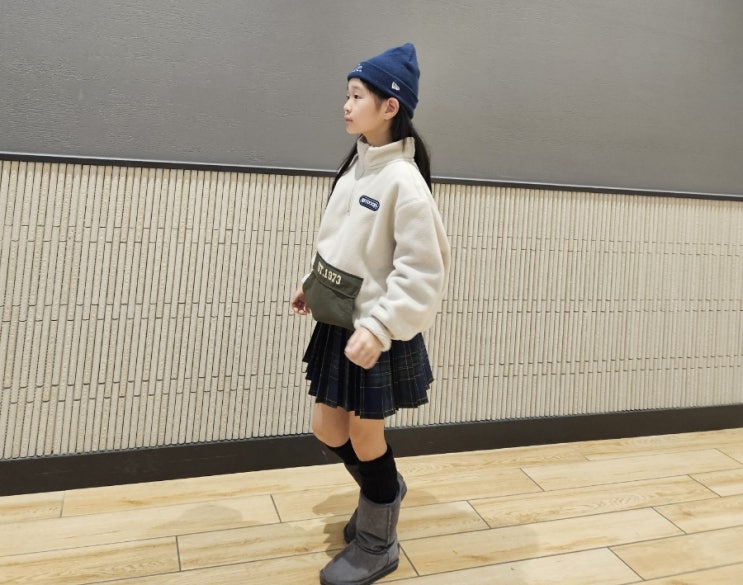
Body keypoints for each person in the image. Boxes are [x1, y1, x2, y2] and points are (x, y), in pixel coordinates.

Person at [291, 42, 450, 585]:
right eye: (347, 94)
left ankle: (379, 541)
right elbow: (342, 245)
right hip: (339, 322)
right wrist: (312, 286)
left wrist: (380, 328)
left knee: (364, 436)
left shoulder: (404, 182)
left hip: (373, 332)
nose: (346, 104)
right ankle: (384, 490)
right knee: (325, 428)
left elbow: (423, 272)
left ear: (390, 107)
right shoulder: (357, 167)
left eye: (357, 96)